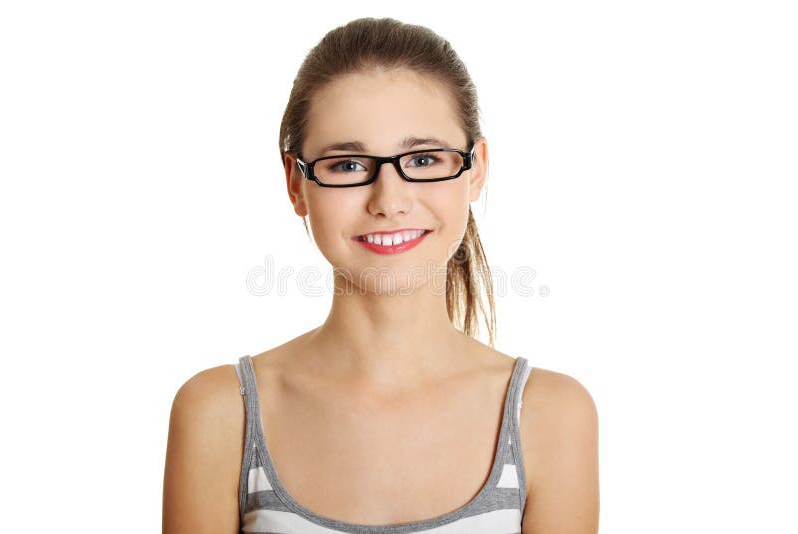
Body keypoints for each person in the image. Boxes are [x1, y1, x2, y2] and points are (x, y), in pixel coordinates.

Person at [163, 17, 599, 534]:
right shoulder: (219, 414)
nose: (389, 201)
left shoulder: (549, 415)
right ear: (295, 184)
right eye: (347, 165)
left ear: (476, 168)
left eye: (423, 158)